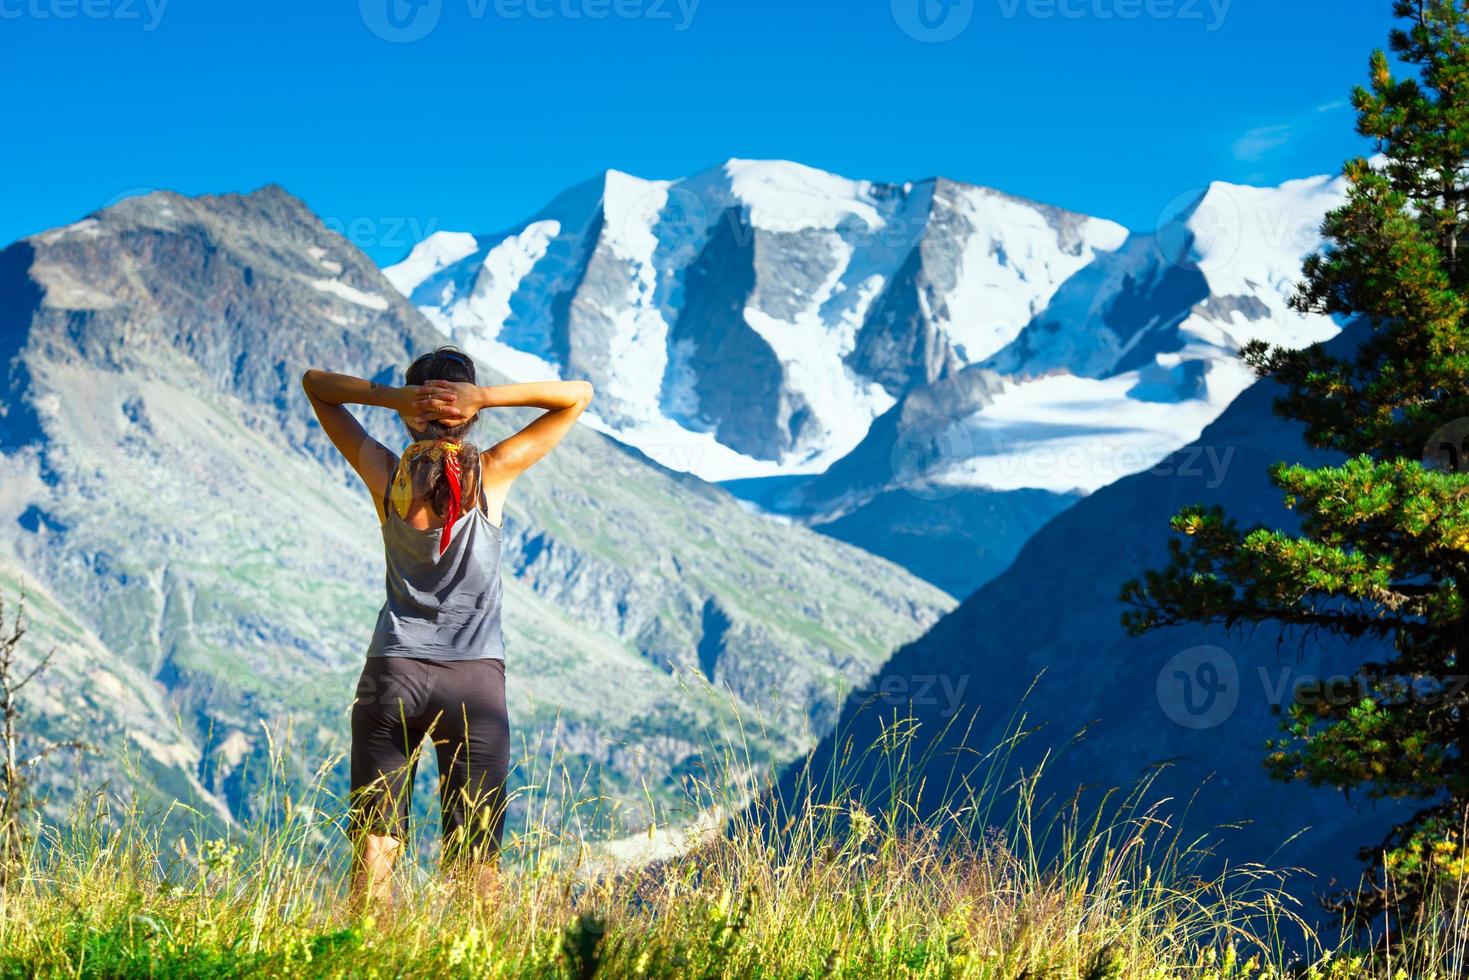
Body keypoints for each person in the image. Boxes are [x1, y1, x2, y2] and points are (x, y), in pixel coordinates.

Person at [301, 346, 592, 910]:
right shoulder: (495, 472)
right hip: (475, 681)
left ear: (412, 414)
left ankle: (367, 964)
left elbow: (317, 384)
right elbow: (577, 396)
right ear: (471, 415)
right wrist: (484, 396)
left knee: (375, 851)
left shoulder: (384, 473)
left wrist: (388, 397)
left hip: (392, 672)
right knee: (476, 857)